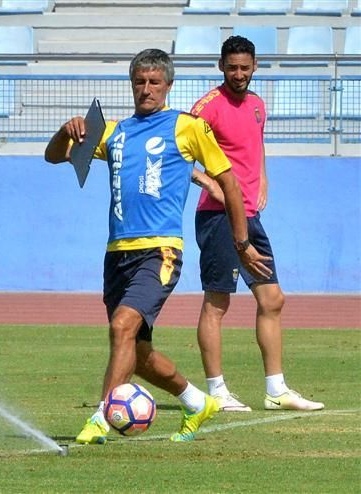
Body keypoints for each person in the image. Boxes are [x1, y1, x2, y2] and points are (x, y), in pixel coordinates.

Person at [45, 49, 272, 444]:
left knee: (122, 327)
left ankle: (100, 419)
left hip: (161, 251)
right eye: (140, 82)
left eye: (154, 82)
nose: (146, 89)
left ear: (168, 86)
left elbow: (230, 185)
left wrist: (241, 242)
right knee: (138, 351)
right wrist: (66, 131)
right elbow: (54, 157)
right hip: (117, 254)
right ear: (131, 84)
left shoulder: (186, 127)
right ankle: (196, 400)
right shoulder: (113, 132)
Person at [189, 36, 324, 411]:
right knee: (218, 303)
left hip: (250, 215)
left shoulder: (257, 105)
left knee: (272, 299)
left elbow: (255, 145)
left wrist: (263, 177)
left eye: (244, 67)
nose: (238, 74)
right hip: (217, 217)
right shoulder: (206, 107)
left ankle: (276, 390)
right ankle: (216, 392)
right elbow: (178, 152)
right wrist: (210, 184)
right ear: (221, 66)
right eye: (231, 67)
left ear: (254, 67)